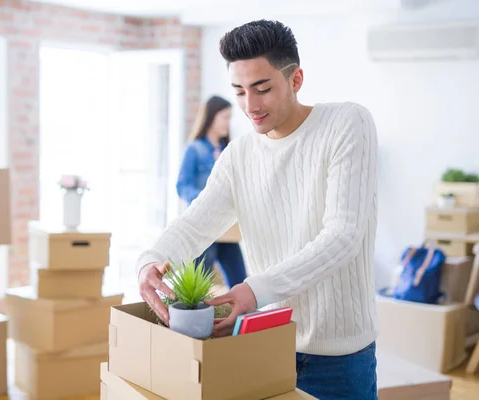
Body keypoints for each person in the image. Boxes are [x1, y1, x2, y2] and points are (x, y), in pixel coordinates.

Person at [137, 19, 379, 400]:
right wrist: (152, 259)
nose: (250, 106)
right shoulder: (240, 155)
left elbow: (343, 236)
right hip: (264, 347)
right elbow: (196, 222)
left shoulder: (347, 123)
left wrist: (254, 290)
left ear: (296, 79)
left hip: (339, 359)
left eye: (262, 89)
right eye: (239, 91)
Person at [176, 95, 248, 289]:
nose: (228, 122)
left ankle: (243, 320)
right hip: (204, 228)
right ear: (212, 117)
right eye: (225, 117)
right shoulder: (195, 149)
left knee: (241, 282)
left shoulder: (228, 150)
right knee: (197, 288)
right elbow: (182, 186)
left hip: (226, 227)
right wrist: (204, 199)